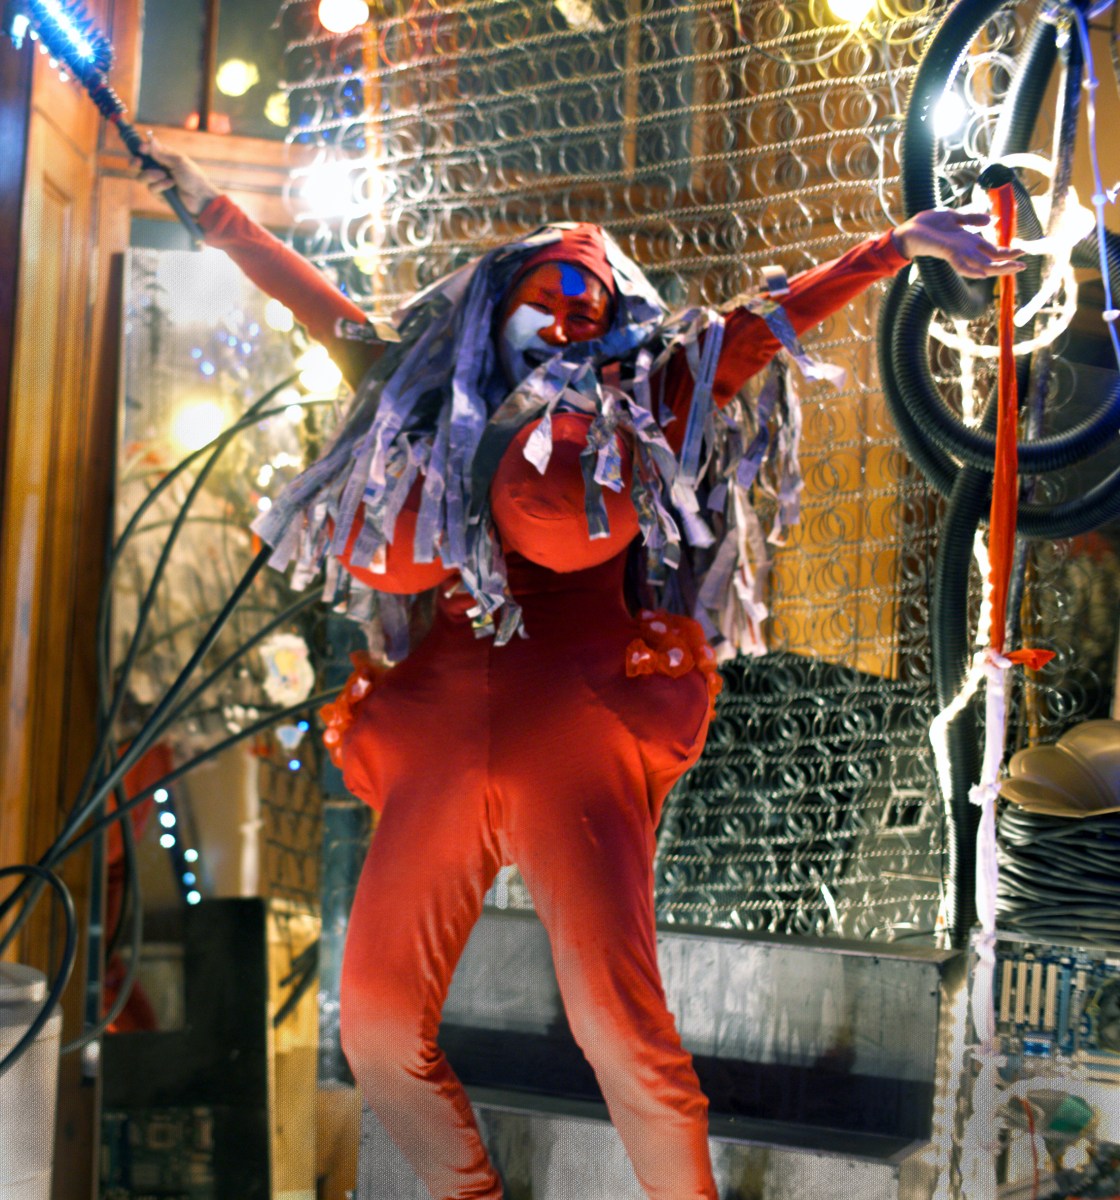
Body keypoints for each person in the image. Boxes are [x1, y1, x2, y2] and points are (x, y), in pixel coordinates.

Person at [139, 137, 1021, 1200]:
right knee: (372, 1029)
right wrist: (209, 209)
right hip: (438, 737)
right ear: (496, 303)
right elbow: (310, 297)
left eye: (590, 306)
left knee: (621, 1030)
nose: (569, 318)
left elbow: (766, 323)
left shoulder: (644, 392)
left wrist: (899, 245)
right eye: (549, 296)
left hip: (578, 734)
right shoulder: (419, 388)